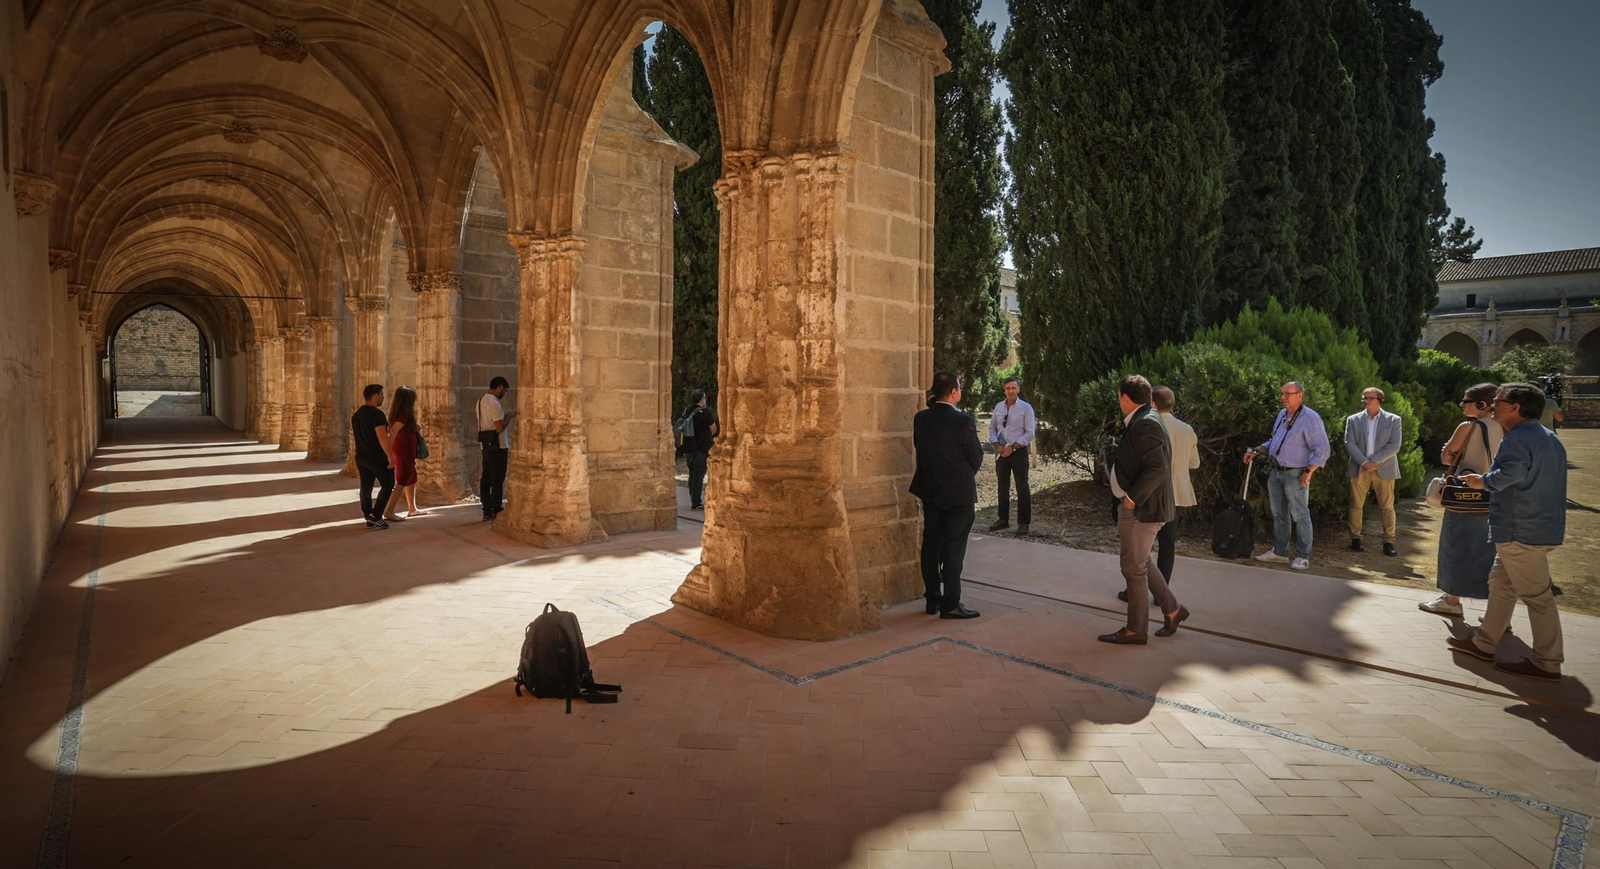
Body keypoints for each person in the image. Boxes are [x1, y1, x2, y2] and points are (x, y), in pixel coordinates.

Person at [1448, 383, 1567, 682]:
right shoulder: (1548, 437)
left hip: (1520, 530)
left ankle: (1548, 662)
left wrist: (1483, 481)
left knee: (1538, 597)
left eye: (1498, 402)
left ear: (1515, 408)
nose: (1492, 406)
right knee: (1500, 585)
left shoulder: (1517, 439)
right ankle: (1484, 643)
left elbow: (1509, 475)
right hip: (1537, 527)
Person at [1101, 375, 1188, 645]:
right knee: (1143, 562)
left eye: (1118, 396)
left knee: (1133, 567)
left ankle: (1136, 629)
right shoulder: (1146, 417)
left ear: (1125, 398)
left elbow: (1157, 468)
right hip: (1144, 508)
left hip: (1142, 510)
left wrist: (1131, 499)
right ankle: (1173, 610)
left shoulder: (1146, 423)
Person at [1420, 383, 1504, 617]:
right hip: (1495, 494)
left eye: (1466, 400)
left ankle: (1451, 600)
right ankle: (1496, 611)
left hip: (1464, 496)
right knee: (1491, 553)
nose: (1461, 404)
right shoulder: (1507, 427)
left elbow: (1447, 458)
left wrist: (1449, 449)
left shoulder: (1468, 426)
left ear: (1481, 404)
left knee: (1454, 548)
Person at [910, 371, 982, 620]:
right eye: (959, 387)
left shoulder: (921, 419)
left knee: (930, 545)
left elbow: (920, 448)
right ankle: (950, 604)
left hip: (930, 491)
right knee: (954, 549)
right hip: (958, 495)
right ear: (954, 392)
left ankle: (932, 600)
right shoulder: (963, 421)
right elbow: (976, 457)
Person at [1121, 386, 1198, 603]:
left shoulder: (1147, 425)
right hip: (1178, 495)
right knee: (1167, 544)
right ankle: (1161, 594)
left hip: (1151, 494)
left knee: (1139, 546)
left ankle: (1133, 590)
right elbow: (1195, 462)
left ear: (1152, 404)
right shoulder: (1186, 429)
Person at [1244, 381, 1330, 571]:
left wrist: (1308, 472)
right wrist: (1257, 450)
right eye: (1282, 394)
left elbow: (1322, 449)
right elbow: (1276, 441)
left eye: (1288, 394)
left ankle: (1303, 556)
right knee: (1279, 514)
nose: (1283, 397)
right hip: (1276, 471)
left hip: (1296, 473)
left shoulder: (1310, 418)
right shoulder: (1283, 414)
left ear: (1300, 395)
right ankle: (1280, 553)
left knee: (1300, 515)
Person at [1344, 387, 1404, 556]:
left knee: (1387, 507)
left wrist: (1373, 461)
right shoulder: (1353, 420)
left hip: (1383, 468)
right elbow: (1349, 443)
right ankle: (1355, 539)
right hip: (1359, 467)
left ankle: (1388, 542)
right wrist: (1364, 462)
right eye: (1364, 398)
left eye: (1370, 398)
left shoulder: (1393, 420)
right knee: (1356, 505)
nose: (1366, 400)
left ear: (1380, 400)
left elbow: (1394, 446)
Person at [987, 377, 1037, 535]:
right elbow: (992, 428)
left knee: (1022, 487)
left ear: (1018, 390)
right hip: (1002, 452)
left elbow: (1030, 433)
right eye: (1008, 388)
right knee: (1002, 486)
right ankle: (1003, 519)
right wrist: (997, 446)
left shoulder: (1026, 408)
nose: (1011, 391)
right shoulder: (999, 407)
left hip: (1018, 451)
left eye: (1013, 388)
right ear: (1004, 390)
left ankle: (1023, 523)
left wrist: (1013, 447)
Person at [351, 383, 394, 530]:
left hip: (361, 457)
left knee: (366, 486)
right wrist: (390, 455)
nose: (383, 398)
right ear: (375, 396)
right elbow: (382, 437)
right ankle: (376, 515)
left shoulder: (357, 415)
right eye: (382, 395)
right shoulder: (377, 414)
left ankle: (368, 516)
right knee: (388, 485)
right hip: (377, 457)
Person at [477, 376, 516, 521]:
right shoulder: (494, 403)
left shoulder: (480, 401)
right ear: (500, 387)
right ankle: (497, 510)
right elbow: (499, 427)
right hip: (498, 445)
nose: (504, 393)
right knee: (497, 480)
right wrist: (509, 418)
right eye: (504, 390)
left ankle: (486, 510)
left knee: (486, 478)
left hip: (485, 445)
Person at [385, 386, 424, 521]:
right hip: (403, 451)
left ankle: (412, 509)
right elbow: (394, 431)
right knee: (403, 479)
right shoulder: (404, 415)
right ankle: (389, 511)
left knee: (411, 477)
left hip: (406, 449)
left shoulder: (400, 415)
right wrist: (387, 451)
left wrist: (415, 427)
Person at [676, 389, 718, 511]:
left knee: (692, 475)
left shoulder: (687, 411)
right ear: (701, 399)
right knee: (699, 477)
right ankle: (696, 503)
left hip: (689, 449)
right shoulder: (705, 413)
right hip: (702, 449)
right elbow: (713, 430)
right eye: (704, 398)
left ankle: (693, 499)